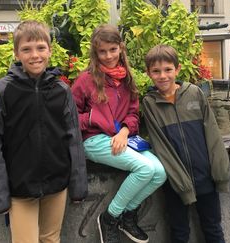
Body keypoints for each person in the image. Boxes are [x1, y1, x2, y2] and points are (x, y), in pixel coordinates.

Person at [0, 20, 87, 243]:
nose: (35, 55)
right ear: (16, 54)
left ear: (50, 49)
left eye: (41, 48)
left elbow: (74, 138)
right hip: (20, 187)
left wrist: (78, 184)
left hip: (56, 183)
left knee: (51, 239)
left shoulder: (61, 90)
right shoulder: (4, 90)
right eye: (26, 49)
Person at [71, 24, 166, 243]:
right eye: (102, 51)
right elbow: (69, 119)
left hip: (123, 138)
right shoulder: (85, 80)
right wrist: (92, 118)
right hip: (93, 140)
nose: (108, 56)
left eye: (112, 49)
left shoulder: (127, 80)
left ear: (121, 48)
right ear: (95, 53)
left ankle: (128, 215)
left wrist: (124, 131)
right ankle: (110, 217)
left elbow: (133, 115)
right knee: (144, 168)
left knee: (160, 172)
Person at [142, 44, 230, 243]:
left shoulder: (194, 93)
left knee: (213, 228)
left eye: (168, 69)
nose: (163, 76)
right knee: (179, 232)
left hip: (204, 176)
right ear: (148, 73)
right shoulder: (149, 103)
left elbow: (212, 133)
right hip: (175, 183)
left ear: (178, 69)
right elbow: (160, 146)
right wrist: (181, 183)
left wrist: (219, 172)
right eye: (156, 71)